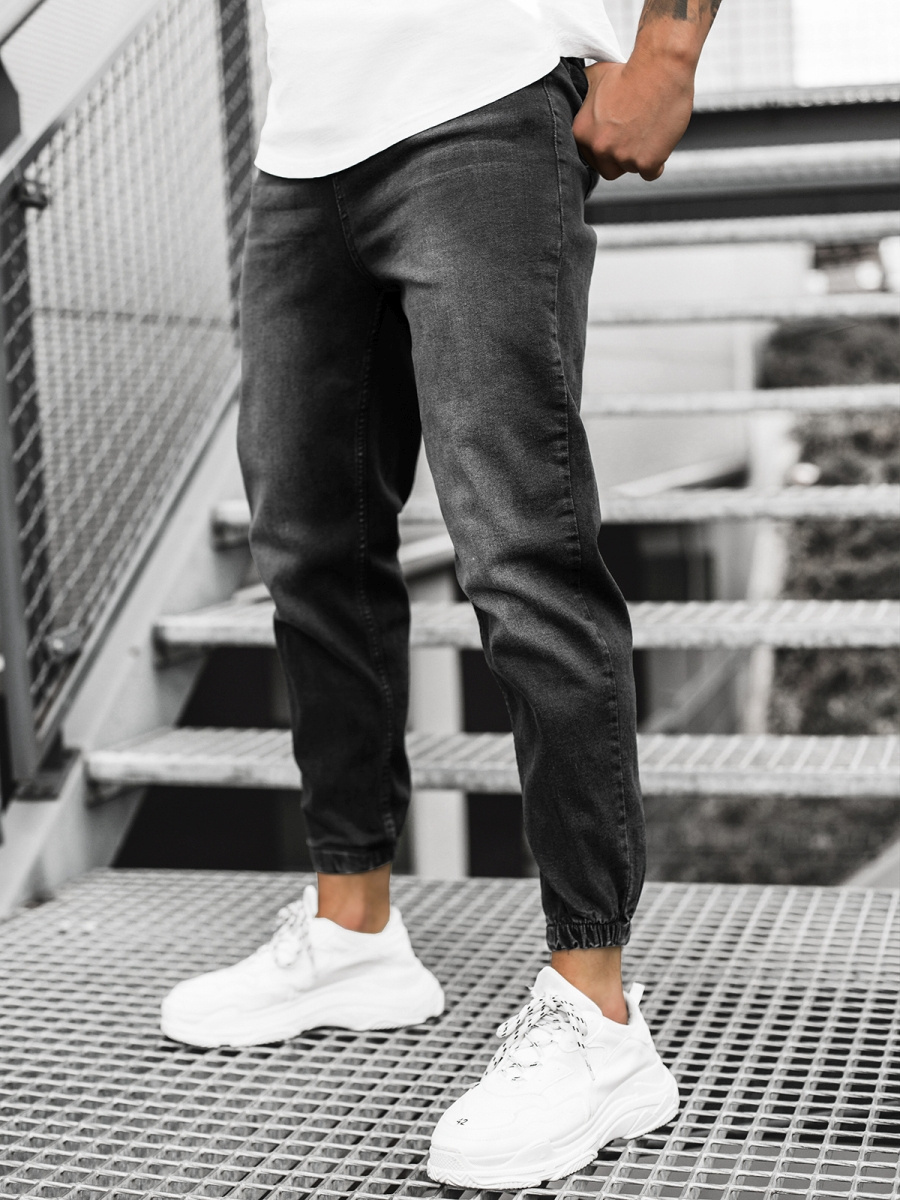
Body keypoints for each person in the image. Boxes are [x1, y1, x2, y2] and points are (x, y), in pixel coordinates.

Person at [162, 0, 724, 1187]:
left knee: (522, 556)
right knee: (309, 549)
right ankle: (353, 929)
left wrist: (669, 47)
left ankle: (597, 1016)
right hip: (303, 146)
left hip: (486, 102)